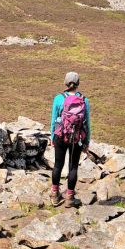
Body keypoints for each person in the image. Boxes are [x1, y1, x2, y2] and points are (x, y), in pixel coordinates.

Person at [48, 71, 90, 208]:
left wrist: (53, 137)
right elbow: (86, 123)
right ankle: (70, 198)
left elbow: (54, 120)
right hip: (76, 138)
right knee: (73, 167)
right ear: (78, 84)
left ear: (65, 83)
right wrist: (86, 141)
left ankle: (55, 195)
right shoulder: (84, 100)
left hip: (60, 136)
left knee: (58, 165)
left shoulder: (58, 99)